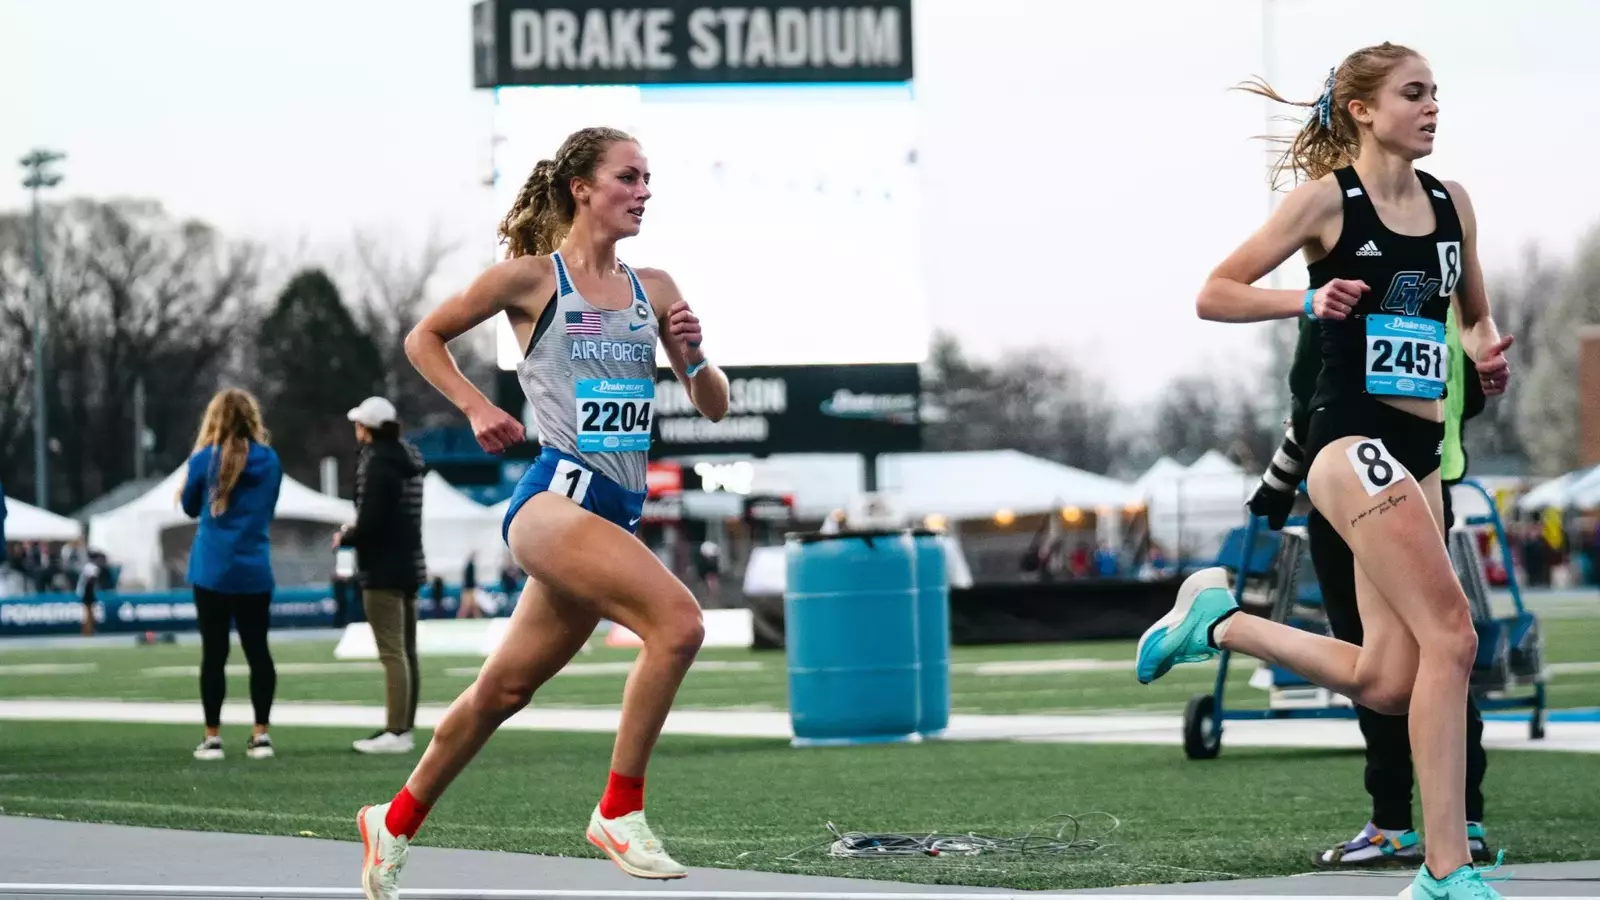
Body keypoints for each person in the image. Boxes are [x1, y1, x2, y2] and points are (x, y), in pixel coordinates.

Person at [1134, 44, 1513, 899]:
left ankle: (1219, 623)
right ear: (1362, 111)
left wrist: (1488, 359)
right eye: (1414, 94)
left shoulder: (1454, 205)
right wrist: (1304, 299)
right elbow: (1215, 291)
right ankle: (1447, 870)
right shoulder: (1325, 204)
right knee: (1452, 633)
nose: (1432, 107)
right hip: (1348, 440)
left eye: (1436, 94)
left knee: (1389, 677)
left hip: (1421, 455)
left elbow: (1475, 317)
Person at [355, 126, 730, 898]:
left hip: (609, 517)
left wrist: (697, 354)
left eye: (649, 179)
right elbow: (424, 338)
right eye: (629, 177)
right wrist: (473, 407)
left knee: (502, 693)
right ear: (582, 188)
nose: (644, 191)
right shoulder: (531, 280)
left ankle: (390, 820)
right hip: (554, 503)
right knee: (681, 624)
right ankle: (619, 810)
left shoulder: (654, 289)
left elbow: (713, 405)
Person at [1248, 307, 1494, 869]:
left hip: (1381, 485)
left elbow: (1305, 398)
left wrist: (1280, 481)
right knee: (1436, 649)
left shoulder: (1347, 294)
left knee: (1421, 653)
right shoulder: (1439, 298)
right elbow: (1472, 397)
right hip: (1411, 482)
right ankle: (1454, 821)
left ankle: (1404, 823)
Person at [181, 388, 283, 762]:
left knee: (214, 654)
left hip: (211, 568)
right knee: (259, 652)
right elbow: (269, 507)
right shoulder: (270, 460)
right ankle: (261, 734)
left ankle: (212, 737)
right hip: (254, 567)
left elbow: (190, 507)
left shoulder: (205, 459)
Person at [338, 396, 428, 756]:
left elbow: (371, 520)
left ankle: (396, 730)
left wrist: (346, 535)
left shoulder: (376, 462)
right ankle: (404, 727)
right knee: (407, 651)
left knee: (391, 652)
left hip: (382, 567)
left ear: (368, 428)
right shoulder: (410, 458)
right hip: (411, 563)